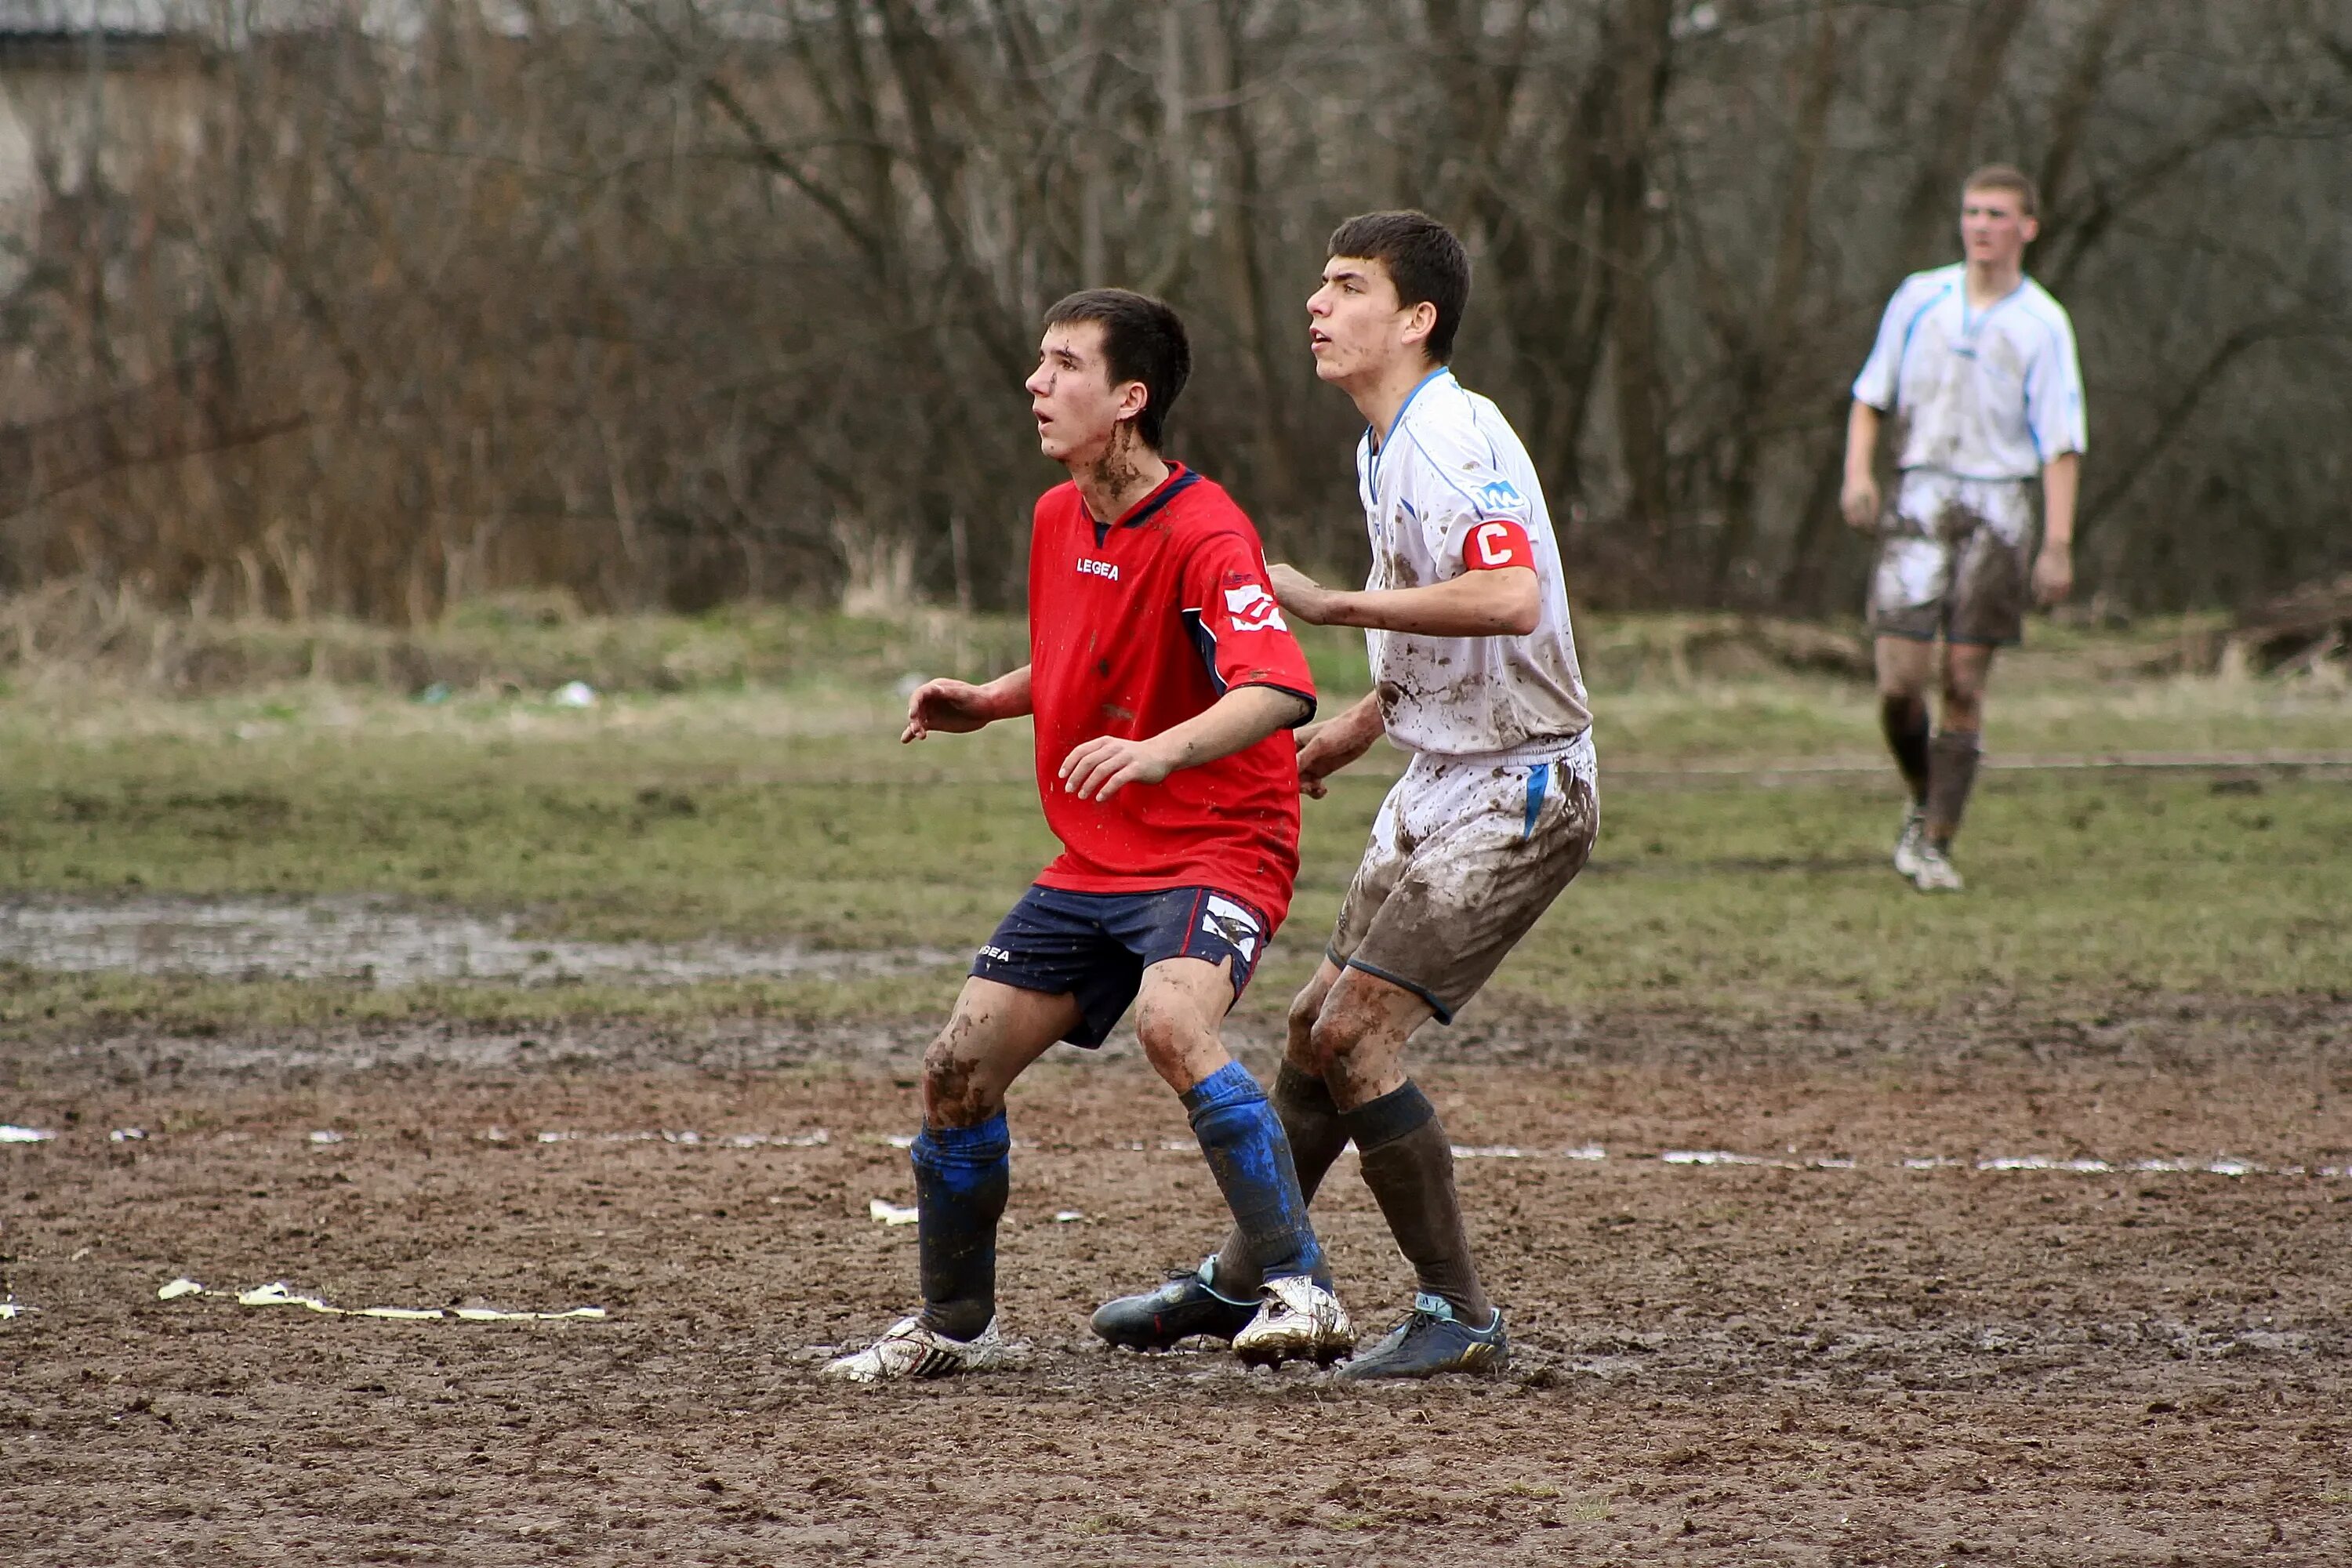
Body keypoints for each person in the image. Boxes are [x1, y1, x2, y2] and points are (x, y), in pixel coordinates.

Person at [1091, 212, 1598, 1380]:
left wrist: (1325, 609)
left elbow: (1509, 597)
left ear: (1416, 319)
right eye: (1319, 282)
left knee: (1359, 1031)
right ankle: (1244, 1279)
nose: (1318, 304)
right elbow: (1455, 627)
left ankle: (1459, 1315)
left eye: (1348, 285)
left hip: (1521, 788)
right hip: (1443, 770)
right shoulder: (1383, 444)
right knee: (1315, 1032)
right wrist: (1362, 727)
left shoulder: (1450, 438)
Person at [824, 288, 1352, 1382]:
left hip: (1221, 840)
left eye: (1063, 364)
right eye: (1039, 360)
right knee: (955, 1073)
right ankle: (951, 1328)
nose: (1036, 381)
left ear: (1129, 397)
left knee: (1171, 1022)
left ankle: (1302, 1291)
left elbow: (1278, 689)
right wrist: (993, 698)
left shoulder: (1209, 532)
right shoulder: (1057, 515)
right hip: (1100, 856)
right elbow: (1089, 660)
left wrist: (1161, 752)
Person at [1842, 163, 2087, 893]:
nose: (1982, 225)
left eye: (1998, 214)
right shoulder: (1921, 298)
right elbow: (1869, 395)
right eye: (1973, 211)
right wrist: (1859, 474)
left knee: (1964, 679)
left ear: (2027, 227)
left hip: (1999, 508)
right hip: (1919, 496)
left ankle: (1938, 835)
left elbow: (2061, 443)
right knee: (1899, 683)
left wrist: (2058, 543)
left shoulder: (2043, 324)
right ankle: (1926, 794)